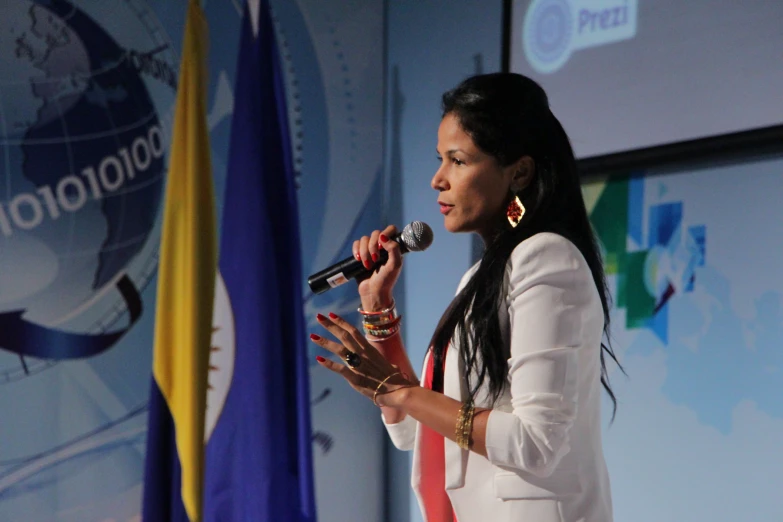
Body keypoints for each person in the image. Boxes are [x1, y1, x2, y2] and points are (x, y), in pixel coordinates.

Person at [309, 72, 621, 522]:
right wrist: (379, 312)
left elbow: (537, 443)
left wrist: (400, 392)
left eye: (457, 160)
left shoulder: (547, 259)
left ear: (519, 172)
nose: (438, 179)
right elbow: (417, 433)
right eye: (439, 159)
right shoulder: (481, 277)